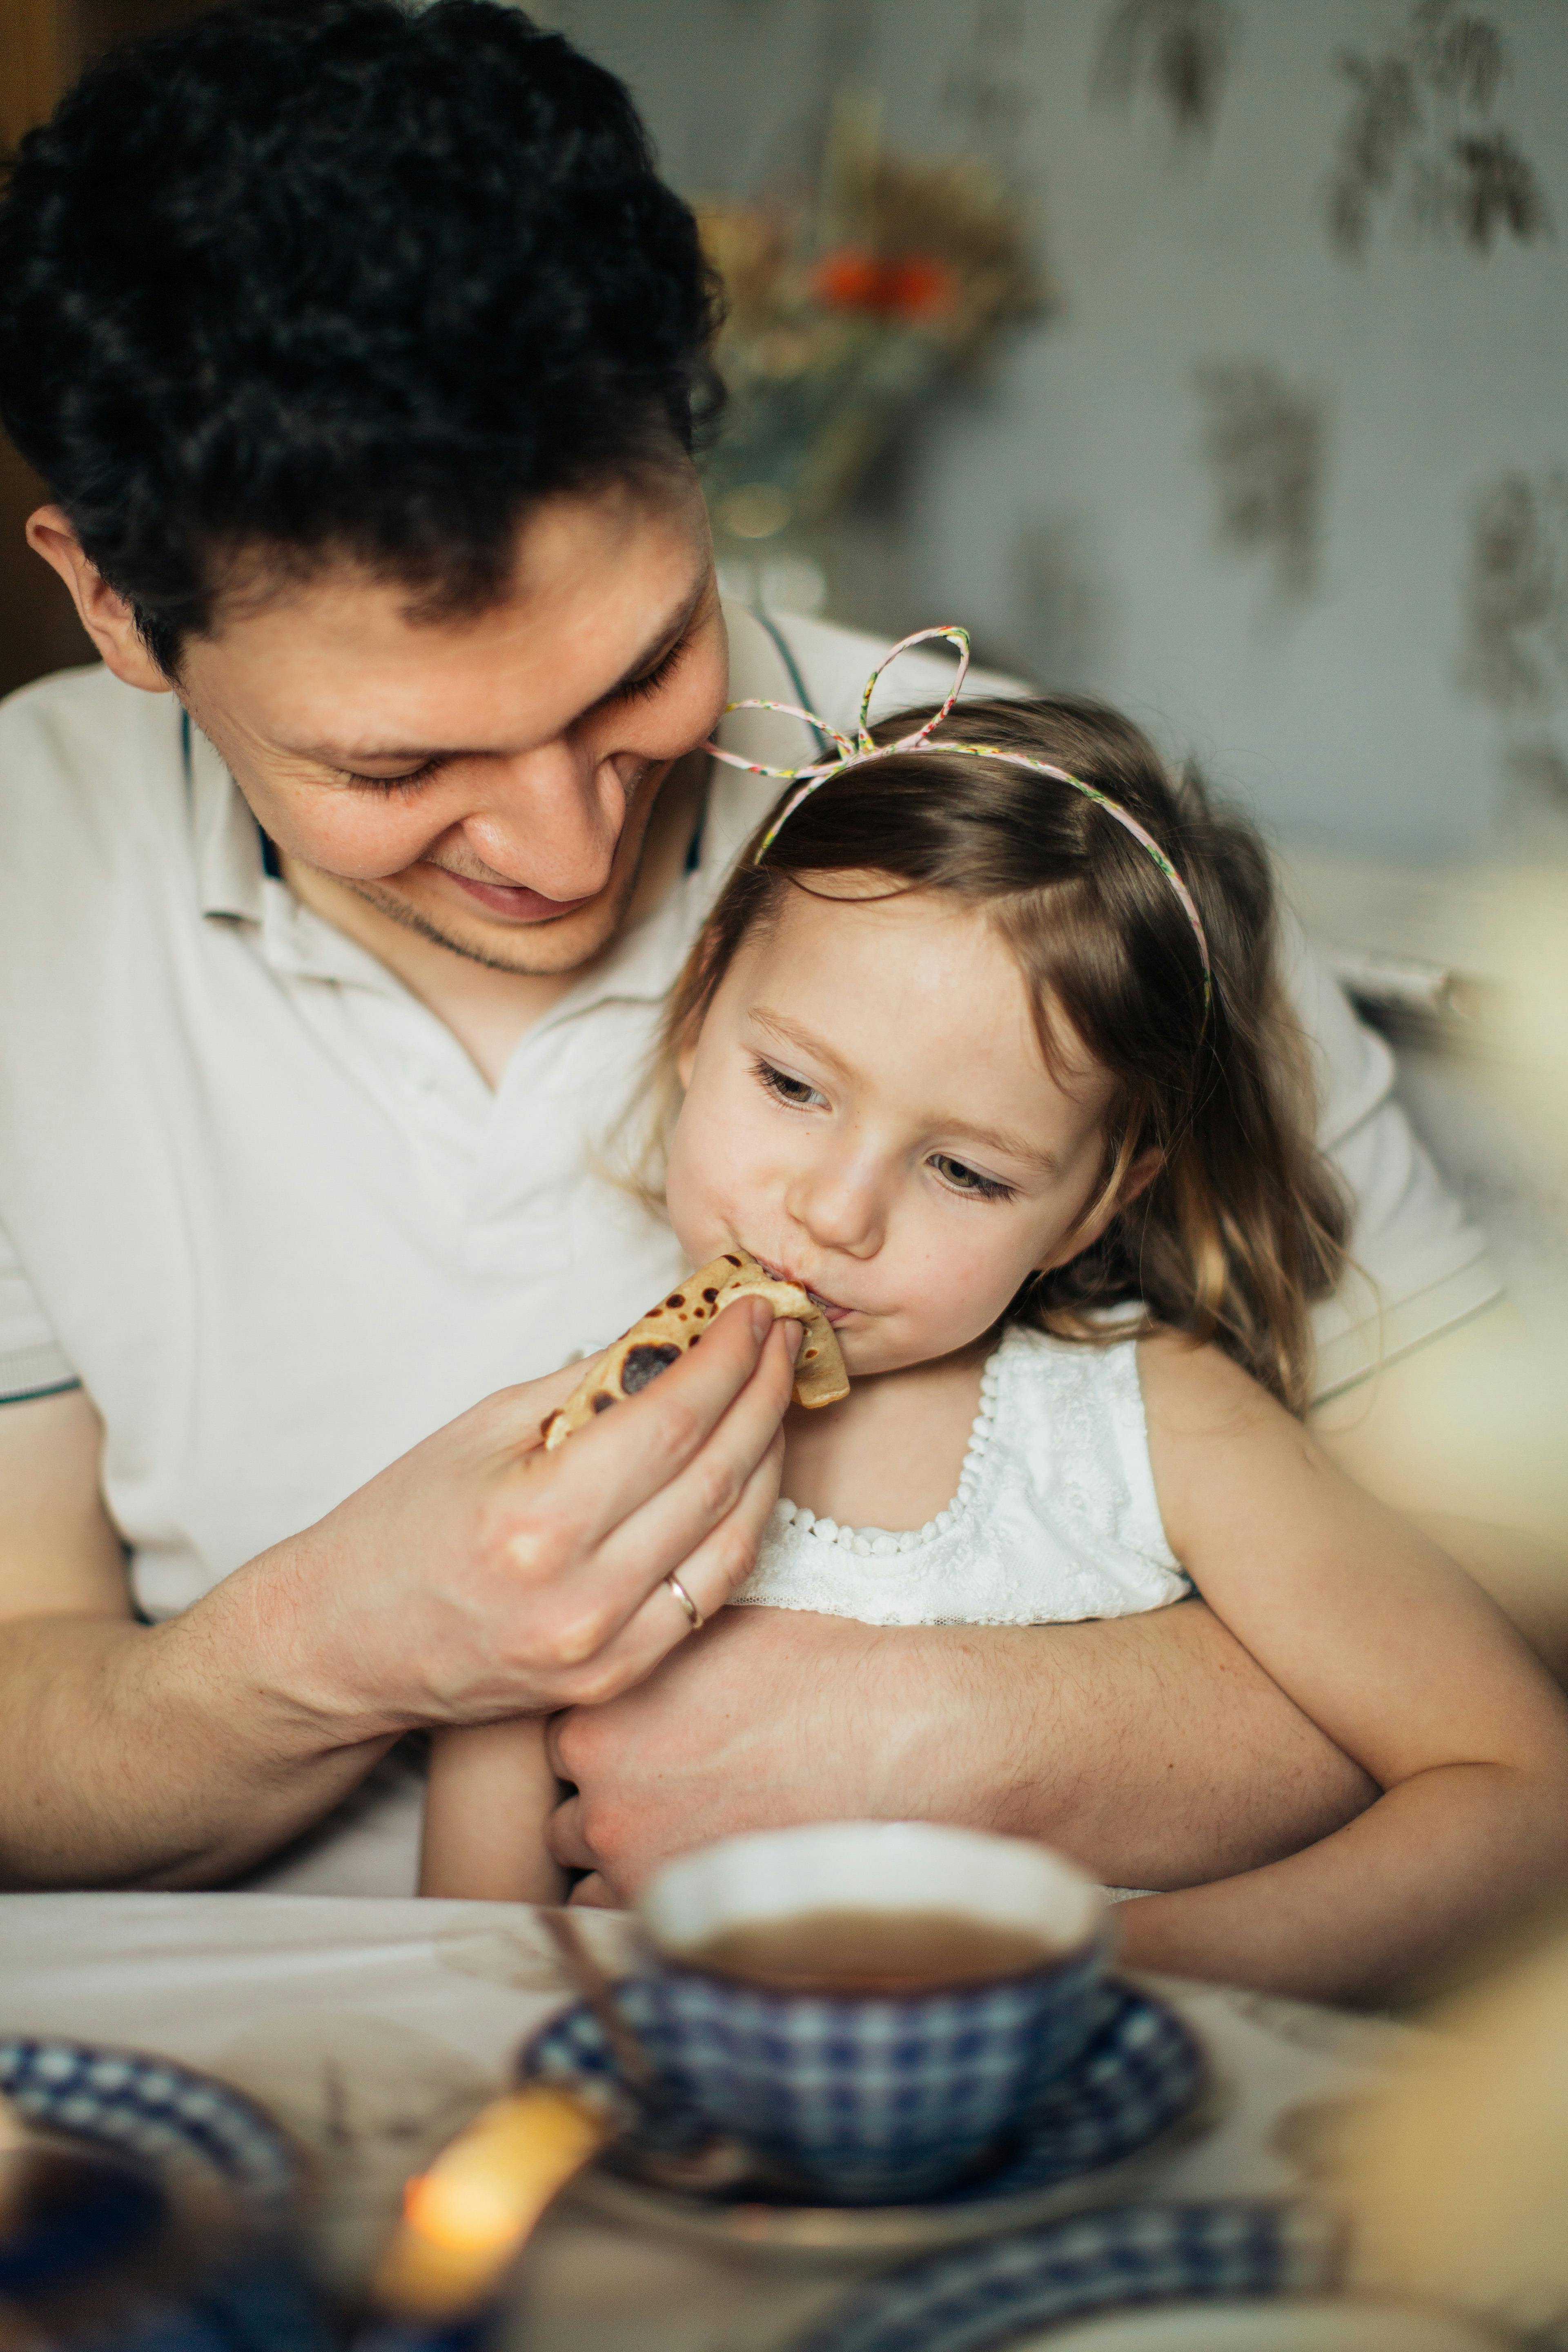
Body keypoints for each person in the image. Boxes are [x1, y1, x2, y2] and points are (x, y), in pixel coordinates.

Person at [0, 0, 1555, 1906]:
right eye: (398, 764)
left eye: (648, 663)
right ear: (110, 603)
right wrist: (336, 1644)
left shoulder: (1042, 863)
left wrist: (997, 1741)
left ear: (696, 434)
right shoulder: (23, 881)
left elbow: (1517, 1585)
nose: (569, 847)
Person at [418, 659, 1568, 2000]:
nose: (836, 1214)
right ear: (698, 1011)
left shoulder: (1163, 1423)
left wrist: (1063, 1977)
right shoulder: (568, 1458)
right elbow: (469, 1977)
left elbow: (1520, 1794)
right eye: (792, 1084)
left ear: (1096, 1198)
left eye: (965, 1172)